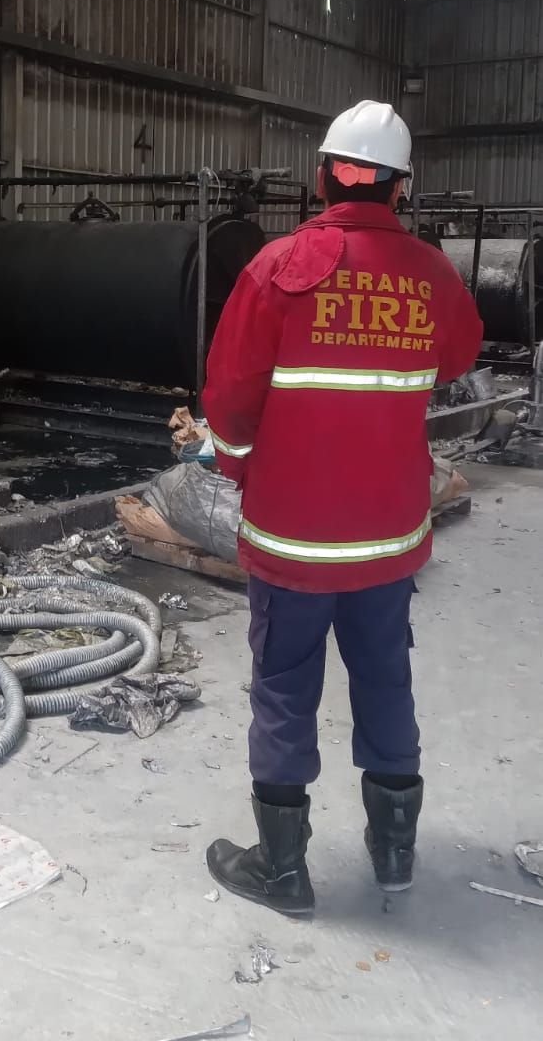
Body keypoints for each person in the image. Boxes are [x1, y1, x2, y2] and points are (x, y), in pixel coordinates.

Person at [202, 100, 483, 916]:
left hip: (292, 537)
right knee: (386, 678)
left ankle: (283, 871)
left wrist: (242, 465)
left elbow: (229, 400)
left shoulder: (278, 268)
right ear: (400, 187)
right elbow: (457, 356)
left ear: (322, 176)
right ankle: (393, 855)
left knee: (284, 688)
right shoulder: (431, 275)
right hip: (387, 537)